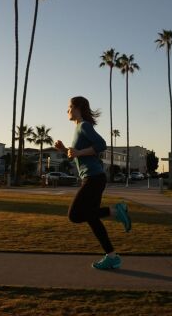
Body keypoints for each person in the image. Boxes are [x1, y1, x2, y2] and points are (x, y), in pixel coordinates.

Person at [54, 96, 132, 270]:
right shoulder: (78, 129)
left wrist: (78, 152)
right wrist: (64, 149)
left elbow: (101, 145)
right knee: (92, 218)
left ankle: (116, 210)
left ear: (78, 108)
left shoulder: (84, 126)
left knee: (74, 215)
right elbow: (78, 152)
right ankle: (112, 257)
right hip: (93, 177)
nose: (67, 110)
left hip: (94, 178)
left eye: (69, 107)